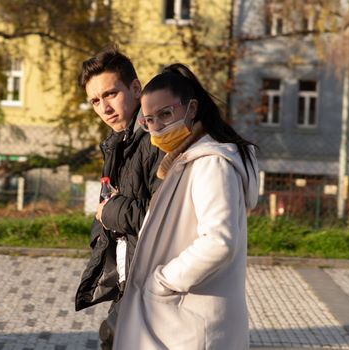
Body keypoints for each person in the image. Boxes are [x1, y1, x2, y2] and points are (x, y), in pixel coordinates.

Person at [112, 63, 259, 350]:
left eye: (166, 114)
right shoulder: (186, 161)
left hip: (189, 323)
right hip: (179, 320)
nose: (158, 127)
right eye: (149, 120)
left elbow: (219, 242)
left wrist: (162, 282)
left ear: (191, 109)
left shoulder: (211, 163)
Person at [74, 47, 164, 349]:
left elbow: (164, 218)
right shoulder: (118, 143)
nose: (104, 108)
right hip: (130, 280)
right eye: (95, 101)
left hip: (154, 282)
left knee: (113, 338)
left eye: (111, 94)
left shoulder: (157, 140)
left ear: (136, 88)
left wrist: (109, 212)